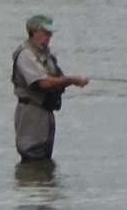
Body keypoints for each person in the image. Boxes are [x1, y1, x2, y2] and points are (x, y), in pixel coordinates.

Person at [11, 15, 87, 161]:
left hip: (46, 111)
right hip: (31, 112)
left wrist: (69, 80)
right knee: (32, 155)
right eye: (46, 32)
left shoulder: (45, 53)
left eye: (50, 32)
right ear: (34, 31)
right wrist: (72, 80)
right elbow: (43, 82)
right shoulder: (26, 54)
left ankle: (42, 177)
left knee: (45, 158)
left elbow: (54, 78)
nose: (50, 35)